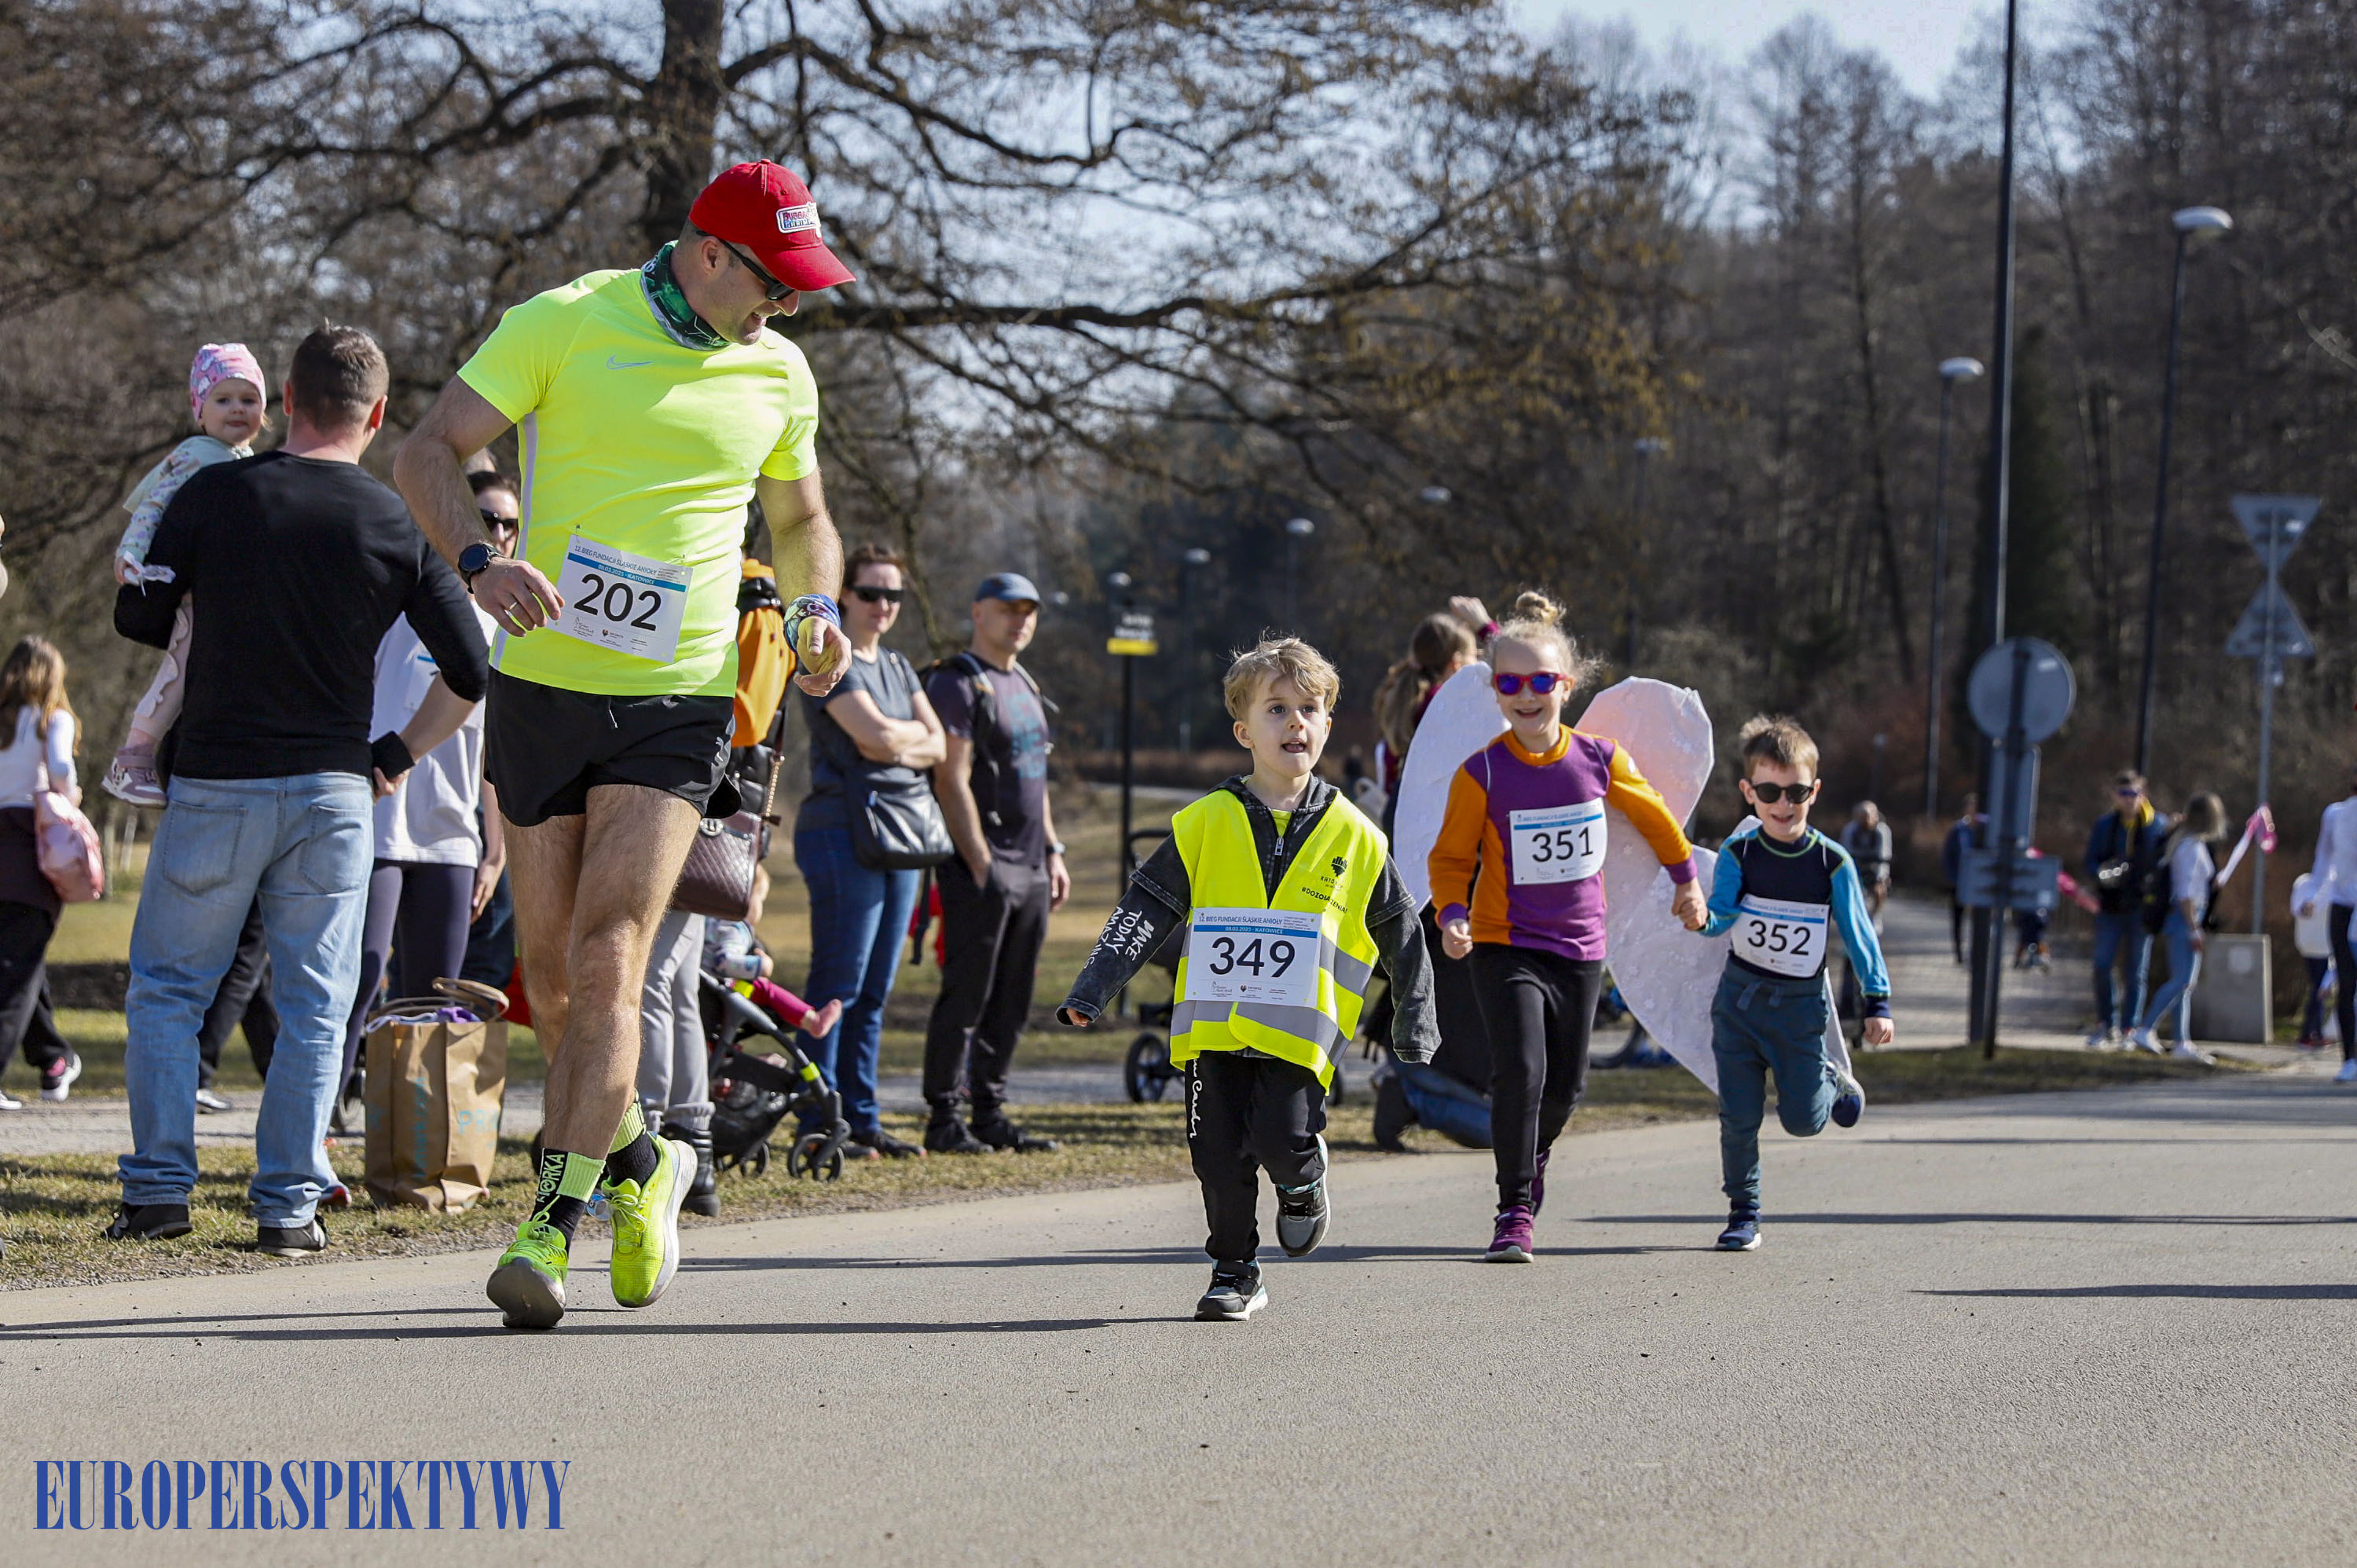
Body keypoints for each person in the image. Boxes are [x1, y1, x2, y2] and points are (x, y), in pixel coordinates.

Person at [394, 159, 854, 1330]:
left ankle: (547, 1228)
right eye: (774, 282)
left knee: (610, 960)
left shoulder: (778, 373)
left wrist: (815, 614)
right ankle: (646, 1162)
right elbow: (425, 453)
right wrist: (482, 565)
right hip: (544, 688)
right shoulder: (565, 321)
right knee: (548, 989)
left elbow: (802, 524)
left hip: (679, 703)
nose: (786, 306)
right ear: (709, 252)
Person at [110, 324, 489, 1254]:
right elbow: (472, 666)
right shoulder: (394, 520)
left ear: (285, 396)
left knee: (168, 990)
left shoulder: (214, 492)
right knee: (321, 1004)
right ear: (380, 415)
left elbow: (136, 611)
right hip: (333, 790)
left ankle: (160, 1191)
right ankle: (286, 1206)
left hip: (217, 781)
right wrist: (395, 749)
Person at [1058, 638, 1438, 1321]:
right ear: (1244, 731)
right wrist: (1095, 987)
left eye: (1309, 709)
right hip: (1211, 1029)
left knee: (1280, 1139)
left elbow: (1400, 930)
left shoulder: (1356, 835)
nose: (1295, 722)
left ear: (1326, 726)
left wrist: (1415, 1016)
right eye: (1277, 709)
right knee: (1214, 1154)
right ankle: (1235, 1271)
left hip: (1296, 1037)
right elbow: (1146, 904)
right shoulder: (1204, 822)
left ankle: (1304, 1180)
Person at [1429, 592, 1707, 1263]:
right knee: (1520, 1072)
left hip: (1580, 949)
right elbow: (1450, 857)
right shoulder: (1483, 772)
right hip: (1505, 944)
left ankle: (1536, 1152)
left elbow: (1657, 821)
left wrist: (1686, 880)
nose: (1527, 696)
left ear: (1568, 686)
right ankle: (1513, 1210)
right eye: (1510, 684)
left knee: (1568, 1088)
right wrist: (1452, 912)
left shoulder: (1599, 761)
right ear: (1496, 691)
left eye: (1541, 682)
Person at [335, 485, 504, 1111]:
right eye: (484, 521)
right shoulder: (396, 607)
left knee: (435, 999)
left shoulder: (507, 633)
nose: (498, 534)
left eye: (509, 524)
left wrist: (495, 849)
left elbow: (496, 753)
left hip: (452, 836)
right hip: (378, 825)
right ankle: (323, 1123)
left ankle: (420, 1142)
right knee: (359, 978)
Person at [1695, 716, 1889, 1252]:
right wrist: (1697, 918)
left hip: (1799, 1011)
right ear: (1748, 793)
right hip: (1738, 1005)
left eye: (1796, 792)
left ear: (1814, 791)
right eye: (1769, 792)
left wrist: (1878, 1002)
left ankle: (1832, 1078)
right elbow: (1721, 917)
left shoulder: (1832, 862)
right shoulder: (1741, 855)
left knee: (1804, 1122)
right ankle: (1744, 1213)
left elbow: (1858, 933)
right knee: (1738, 1118)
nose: (1783, 804)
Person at [795, 541, 944, 1159]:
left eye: (894, 594)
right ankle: (817, 1117)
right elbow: (877, 738)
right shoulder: (831, 657)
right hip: (839, 833)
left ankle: (861, 1116)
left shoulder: (901, 667)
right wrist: (903, 739)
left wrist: (897, 741)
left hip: (898, 836)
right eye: (872, 592)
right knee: (838, 983)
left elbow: (936, 744)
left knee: (876, 990)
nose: (884, 605)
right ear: (845, 597)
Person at [921, 573, 1069, 1155]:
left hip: (1032, 866)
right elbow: (949, 779)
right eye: (1008, 609)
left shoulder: (1025, 684)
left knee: (1013, 997)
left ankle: (990, 1113)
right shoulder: (959, 684)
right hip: (983, 868)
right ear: (979, 612)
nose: (1020, 620)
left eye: (1028, 610)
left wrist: (1053, 852)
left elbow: (1038, 779)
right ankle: (943, 1118)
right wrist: (979, 859)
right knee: (967, 994)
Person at [103, 343, 269, 806]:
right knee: (178, 668)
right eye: (223, 399)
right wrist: (130, 552)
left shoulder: (249, 460)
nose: (237, 408)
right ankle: (132, 757)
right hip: (194, 591)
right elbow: (154, 504)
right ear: (200, 410)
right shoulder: (196, 453)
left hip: (227, 595)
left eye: (249, 399)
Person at [1367, 599, 1497, 1152]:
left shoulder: (1415, 711)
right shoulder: (1454, 706)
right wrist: (1490, 626)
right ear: (1454, 666)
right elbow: (1516, 688)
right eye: (1473, 656)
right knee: (1464, 1002)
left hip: (1418, 870)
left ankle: (1409, 1084)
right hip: (1450, 871)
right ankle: (1412, 1091)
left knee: (1442, 994)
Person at [0, 638, 82, 1105]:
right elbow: (61, 768)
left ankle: (53, 1059)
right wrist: (69, 799)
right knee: (17, 971)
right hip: (28, 850)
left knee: (20, 961)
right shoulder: (54, 719)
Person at [2128, 792, 2226, 1062]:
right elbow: (2184, 894)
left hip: (2188, 915)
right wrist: (2194, 927)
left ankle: (2183, 1041)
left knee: (2186, 985)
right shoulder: (2190, 848)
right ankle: (2146, 1027)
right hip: (2185, 918)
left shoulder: (2189, 844)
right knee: (2183, 980)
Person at [2084, 771, 2165, 1048]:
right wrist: (2102, 874)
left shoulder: (2156, 825)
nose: (2129, 800)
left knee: (2136, 971)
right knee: (2102, 964)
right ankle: (2106, 1024)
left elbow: (2163, 864)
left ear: (2143, 795)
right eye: (2124, 794)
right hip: (2110, 907)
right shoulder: (2105, 826)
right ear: (2114, 796)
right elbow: (2090, 861)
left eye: (2134, 794)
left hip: (2141, 909)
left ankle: (2129, 1027)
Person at [2299, 767, 2357, 1083]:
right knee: (2347, 983)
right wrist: (2313, 897)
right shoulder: (2336, 814)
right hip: (2344, 907)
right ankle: (2349, 1058)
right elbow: (2325, 862)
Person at [2290, 870, 2333, 1050]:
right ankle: (2309, 1032)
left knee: (2318, 986)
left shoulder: (2303, 882)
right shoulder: (2322, 883)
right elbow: (2300, 908)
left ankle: (2314, 1032)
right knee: (2320, 988)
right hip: (2320, 944)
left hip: (2309, 941)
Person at [1941, 795, 1980, 965]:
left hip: (1979, 884)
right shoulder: (1957, 830)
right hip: (1959, 881)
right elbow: (1947, 855)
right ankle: (1959, 953)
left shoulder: (1984, 830)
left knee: (1979, 919)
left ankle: (1976, 952)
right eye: (1971, 806)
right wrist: (1952, 878)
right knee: (1958, 919)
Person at [1838, 800, 1892, 923]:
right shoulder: (1850, 830)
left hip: (1875, 867)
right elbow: (1845, 854)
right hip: (1855, 866)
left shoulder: (1882, 831)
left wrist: (1881, 878)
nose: (1866, 821)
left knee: (1880, 889)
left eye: (1869, 817)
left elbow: (1884, 857)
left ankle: (1876, 915)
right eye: (1863, 818)